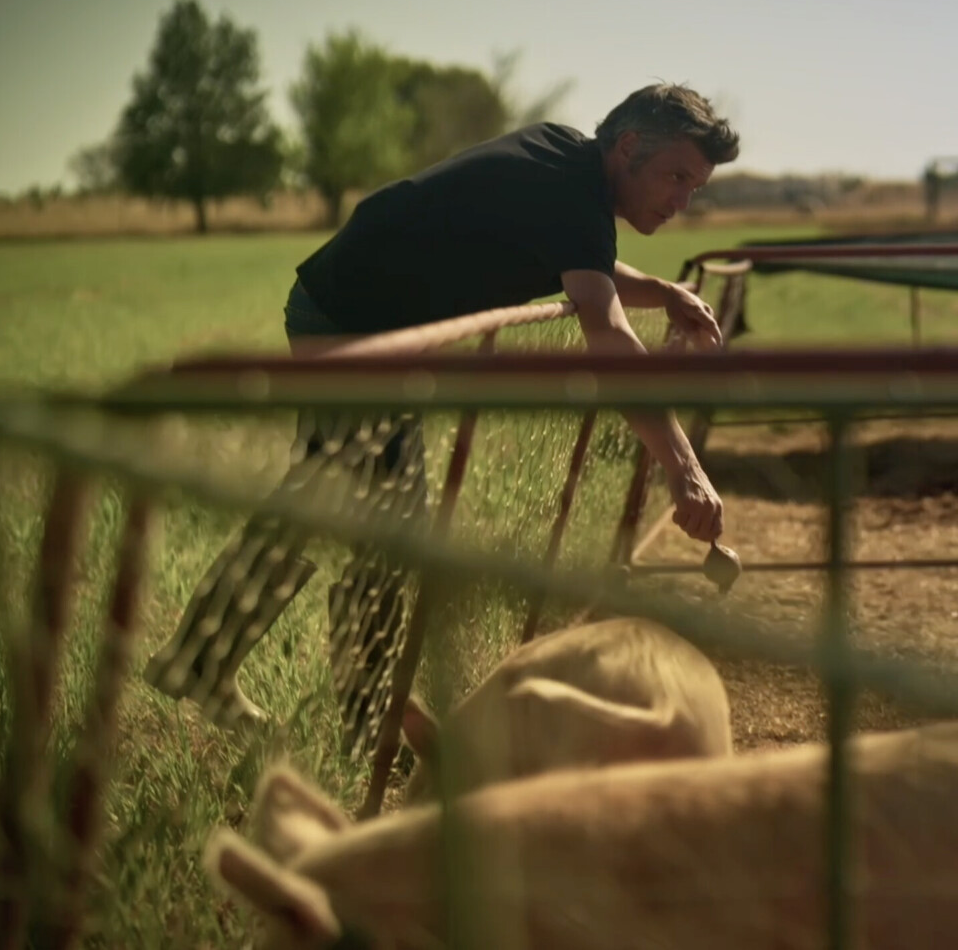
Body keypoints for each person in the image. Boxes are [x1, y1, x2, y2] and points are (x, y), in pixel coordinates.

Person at [144, 83, 738, 750]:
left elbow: (584, 262)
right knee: (385, 522)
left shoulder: (567, 164)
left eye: (695, 188)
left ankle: (240, 672)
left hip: (355, 315)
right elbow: (607, 333)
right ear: (629, 146)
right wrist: (684, 467)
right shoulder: (574, 196)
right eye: (676, 177)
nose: (683, 201)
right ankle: (363, 718)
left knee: (341, 505)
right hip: (352, 325)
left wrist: (660, 291)